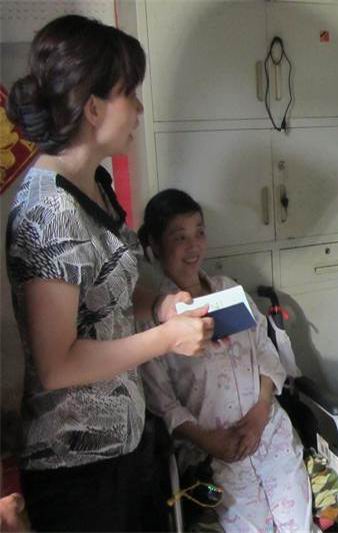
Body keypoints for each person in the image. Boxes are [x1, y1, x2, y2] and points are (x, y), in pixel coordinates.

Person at [5, 15, 214, 532]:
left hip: (127, 443)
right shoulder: (47, 211)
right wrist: (166, 337)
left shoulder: (93, 184)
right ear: (93, 107)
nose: (139, 108)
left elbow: (108, 290)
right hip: (77, 467)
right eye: (130, 93)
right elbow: (57, 364)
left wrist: (159, 305)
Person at [138, 189, 313, 533]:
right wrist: (207, 441)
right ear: (155, 245)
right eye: (180, 237)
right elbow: (163, 402)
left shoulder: (229, 290)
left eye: (199, 233)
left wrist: (261, 412)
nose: (194, 246)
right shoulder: (153, 323)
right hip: (215, 452)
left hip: (269, 432)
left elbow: (265, 351)